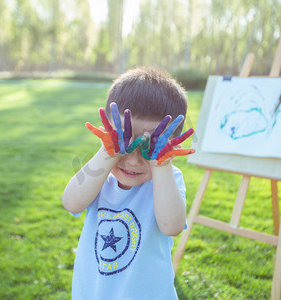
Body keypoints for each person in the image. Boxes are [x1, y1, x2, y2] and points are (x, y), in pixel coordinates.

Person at [62, 67, 195, 300]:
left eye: (150, 146)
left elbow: (171, 226)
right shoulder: (100, 176)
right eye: (125, 139)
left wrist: (160, 165)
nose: (133, 159)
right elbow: (71, 202)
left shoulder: (168, 179)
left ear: (170, 146)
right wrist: (108, 153)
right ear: (109, 132)